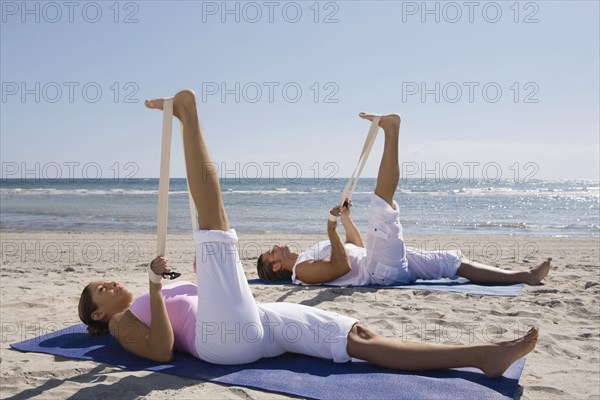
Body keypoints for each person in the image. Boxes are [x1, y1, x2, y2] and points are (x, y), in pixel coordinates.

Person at [78, 89, 538, 377]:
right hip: (223, 340)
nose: (107, 284)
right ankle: (188, 114)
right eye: (99, 291)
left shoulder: (134, 303)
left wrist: (184, 280)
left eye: (101, 281)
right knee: (213, 222)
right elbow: (159, 352)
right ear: (98, 316)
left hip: (256, 321)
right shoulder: (121, 322)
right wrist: (155, 289)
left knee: (361, 337)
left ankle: (482, 354)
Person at [257, 113, 552, 287]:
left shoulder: (307, 255)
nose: (276, 247)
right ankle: (391, 130)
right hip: (380, 271)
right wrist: (330, 230)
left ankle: (524, 276)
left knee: (451, 262)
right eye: (271, 254)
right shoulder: (301, 271)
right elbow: (342, 267)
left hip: (376, 258)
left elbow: (355, 247)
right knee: (381, 203)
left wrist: (345, 221)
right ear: (278, 268)